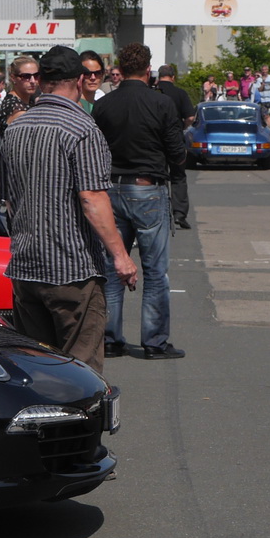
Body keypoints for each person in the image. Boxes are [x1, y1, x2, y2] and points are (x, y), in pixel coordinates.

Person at [0, 45, 138, 373]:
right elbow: (92, 198)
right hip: (71, 269)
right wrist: (121, 256)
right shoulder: (82, 129)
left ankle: (44, 423)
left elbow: (6, 199)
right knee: (80, 367)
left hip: (25, 266)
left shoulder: (15, 128)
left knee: (37, 368)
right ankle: (78, 423)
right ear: (78, 82)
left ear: (43, 80)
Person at [93, 43, 188, 361]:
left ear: (119, 68)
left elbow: (96, 150)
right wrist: (173, 172)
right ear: (148, 70)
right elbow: (177, 151)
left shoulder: (105, 104)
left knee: (112, 266)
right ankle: (154, 341)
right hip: (148, 188)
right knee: (155, 270)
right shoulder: (160, 103)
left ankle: (110, 338)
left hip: (112, 188)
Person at [154, 64, 196, 230]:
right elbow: (191, 117)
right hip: (176, 138)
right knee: (178, 176)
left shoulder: (153, 92)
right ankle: (179, 214)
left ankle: (160, 211)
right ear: (173, 77)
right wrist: (183, 126)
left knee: (159, 175)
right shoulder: (180, 93)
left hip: (155, 139)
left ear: (159, 77)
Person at [0, 56, 39, 141]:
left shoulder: (28, 100)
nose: (33, 81)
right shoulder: (15, 107)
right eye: (26, 76)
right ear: (13, 78)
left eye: (36, 76)